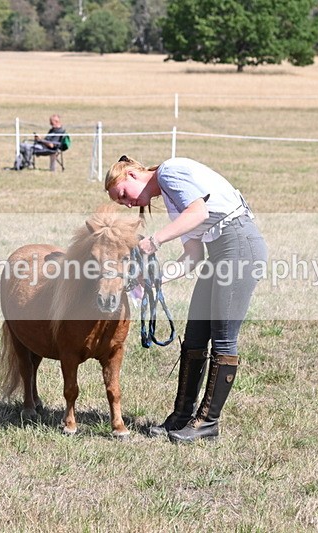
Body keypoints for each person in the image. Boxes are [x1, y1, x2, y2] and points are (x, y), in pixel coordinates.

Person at [105, 155, 267, 443]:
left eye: (123, 195)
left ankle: (207, 423)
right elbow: (193, 257)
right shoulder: (170, 198)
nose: (129, 204)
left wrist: (154, 241)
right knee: (194, 336)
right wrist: (154, 280)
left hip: (239, 246)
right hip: (219, 252)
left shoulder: (170, 171)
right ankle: (182, 416)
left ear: (131, 174)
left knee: (223, 337)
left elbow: (198, 214)